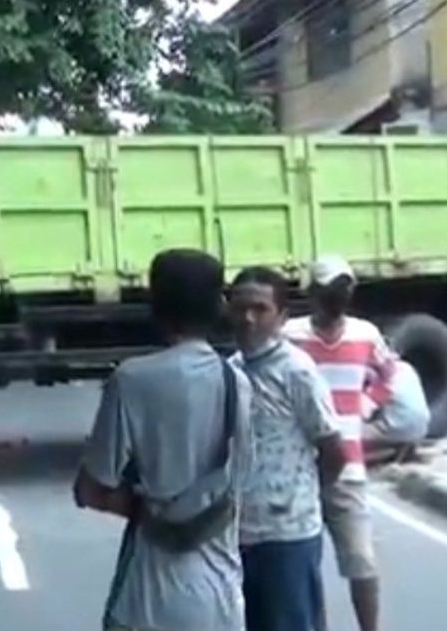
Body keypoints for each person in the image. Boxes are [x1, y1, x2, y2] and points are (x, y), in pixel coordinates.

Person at [74, 249, 252, 631]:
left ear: (156, 305)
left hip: (147, 604)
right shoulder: (237, 382)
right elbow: (240, 483)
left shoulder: (132, 379)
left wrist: (147, 508)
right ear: (217, 306)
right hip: (220, 600)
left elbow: (92, 489)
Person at [229, 266, 346, 631]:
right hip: (235, 532)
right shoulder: (229, 371)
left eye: (261, 309)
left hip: (287, 534)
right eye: (241, 307)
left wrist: (305, 496)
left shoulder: (297, 371)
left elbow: (332, 448)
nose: (249, 318)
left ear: (281, 317)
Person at [283, 256, 394, 631]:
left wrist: (364, 404)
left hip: (348, 467)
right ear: (313, 292)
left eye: (344, 288)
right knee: (304, 566)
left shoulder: (366, 335)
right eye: (331, 288)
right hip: (300, 470)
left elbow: (388, 375)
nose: (338, 296)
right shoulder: (291, 336)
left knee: (361, 560)